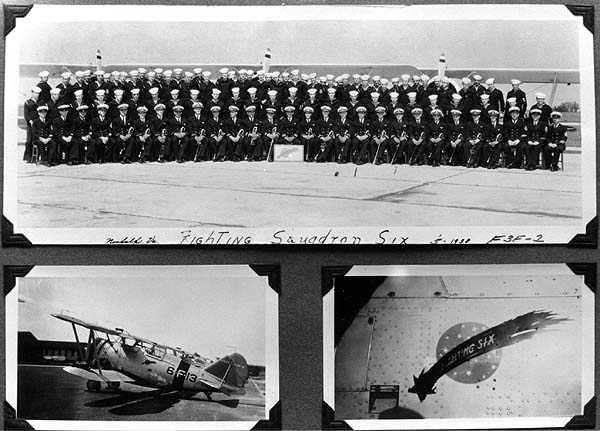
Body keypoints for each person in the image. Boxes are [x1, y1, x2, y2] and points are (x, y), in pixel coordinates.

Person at [23, 87, 41, 162]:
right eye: (35, 93)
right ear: (32, 93)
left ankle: (36, 157)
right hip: (31, 124)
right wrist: (30, 120)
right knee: (29, 140)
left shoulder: (40, 102)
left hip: (38, 124)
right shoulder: (27, 103)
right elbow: (26, 115)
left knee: (37, 140)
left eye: (38, 93)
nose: (37, 95)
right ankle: (28, 157)